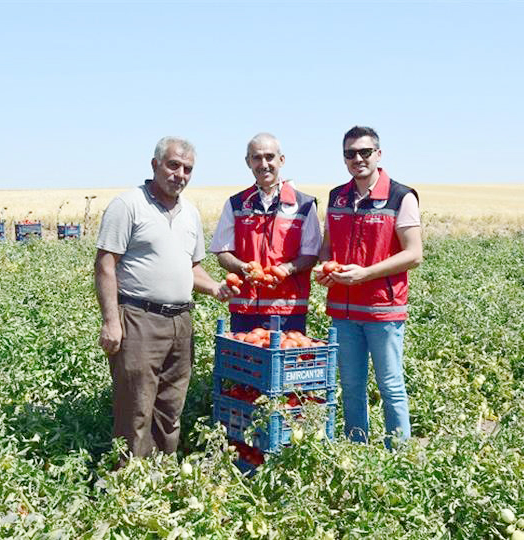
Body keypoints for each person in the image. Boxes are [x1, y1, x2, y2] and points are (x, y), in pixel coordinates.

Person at [95, 136, 237, 458]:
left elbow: (192, 268)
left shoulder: (191, 214)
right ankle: (127, 486)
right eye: (173, 165)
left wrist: (215, 287)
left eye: (187, 169)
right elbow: (105, 265)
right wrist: (111, 322)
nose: (180, 174)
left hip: (180, 322)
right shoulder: (129, 205)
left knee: (170, 409)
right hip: (140, 320)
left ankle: (161, 478)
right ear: (155, 165)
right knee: (136, 409)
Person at [315, 126, 423, 447]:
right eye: (350, 153)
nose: (357, 159)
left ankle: (398, 456)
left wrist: (365, 274)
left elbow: (414, 254)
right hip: (343, 310)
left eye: (364, 152)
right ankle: (358, 452)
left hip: (383, 309)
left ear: (379, 154)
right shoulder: (338, 196)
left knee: (390, 385)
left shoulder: (400, 196)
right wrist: (324, 266)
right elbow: (327, 246)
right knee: (350, 385)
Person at [210, 133, 321, 333]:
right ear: (248, 162)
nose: (264, 163)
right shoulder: (236, 204)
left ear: (281, 160)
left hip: (288, 310)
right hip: (245, 308)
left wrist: (287, 269)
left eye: (269, 157)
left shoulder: (304, 204)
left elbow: (311, 255)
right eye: (256, 157)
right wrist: (243, 268)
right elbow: (222, 252)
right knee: (245, 363)